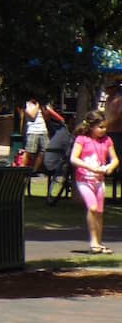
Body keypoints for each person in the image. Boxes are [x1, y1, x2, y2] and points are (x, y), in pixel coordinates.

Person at [68, 110, 119, 253]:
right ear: (91, 126)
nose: (104, 130)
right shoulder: (82, 139)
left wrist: (109, 167)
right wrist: (89, 166)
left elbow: (115, 159)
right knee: (93, 208)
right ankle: (93, 241)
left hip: (99, 180)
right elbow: (74, 158)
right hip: (84, 179)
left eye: (105, 127)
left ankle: (99, 241)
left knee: (100, 212)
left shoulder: (107, 140)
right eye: (100, 127)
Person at [22, 97, 58, 173]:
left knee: (45, 150)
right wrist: (38, 105)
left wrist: (45, 109)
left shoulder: (41, 106)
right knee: (29, 151)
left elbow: (47, 117)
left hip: (43, 130)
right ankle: (21, 169)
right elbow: (32, 115)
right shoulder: (27, 104)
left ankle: (34, 170)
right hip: (33, 131)